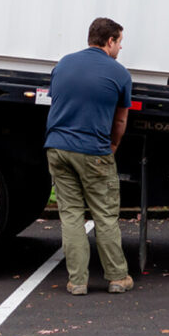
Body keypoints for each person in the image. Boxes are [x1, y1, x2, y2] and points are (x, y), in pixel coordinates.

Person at [45, 17, 134, 296]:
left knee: (71, 215)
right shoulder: (119, 73)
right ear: (109, 42)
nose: (121, 48)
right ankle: (118, 277)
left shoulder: (63, 64)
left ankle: (77, 281)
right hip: (94, 151)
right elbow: (120, 122)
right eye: (119, 42)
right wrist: (113, 147)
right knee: (105, 215)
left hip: (57, 148)